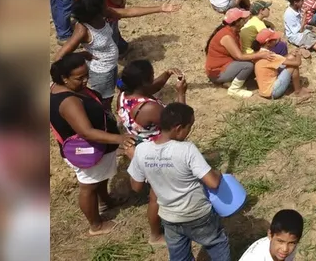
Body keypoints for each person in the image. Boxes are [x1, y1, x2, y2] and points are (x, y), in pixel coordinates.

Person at [125, 103, 231, 261]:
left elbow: (136, 186)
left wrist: (135, 161)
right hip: (197, 214)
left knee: (179, 256)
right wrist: (218, 173)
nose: (190, 131)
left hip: (170, 218)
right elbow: (213, 183)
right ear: (179, 128)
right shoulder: (187, 149)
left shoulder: (141, 151)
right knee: (216, 244)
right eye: (190, 127)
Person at [50, 53, 134, 236]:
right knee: (88, 187)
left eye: (86, 74)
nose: (85, 80)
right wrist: (119, 139)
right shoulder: (69, 102)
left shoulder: (59, 86)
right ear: (64, 78)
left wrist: (81, 56)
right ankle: (95, 225)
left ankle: (105, 200)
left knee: (99, 179)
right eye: (80, 78)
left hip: (98, 148)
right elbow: (86, 132)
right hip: (87, 150)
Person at [53, 0, 181, 106]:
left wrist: (160, 8)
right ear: (95, 11)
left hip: (112, 66)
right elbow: (59, 57)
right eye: (104, 5)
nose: (107, 6)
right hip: (101, 73)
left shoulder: (103, 15)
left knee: (112, 93)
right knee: (104, 102)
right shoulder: (83, 29)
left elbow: (129, 12)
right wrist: (81, 56)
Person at [116, 60, 186, 245]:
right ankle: (156, 235)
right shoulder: (150, 108)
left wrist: (167, 73)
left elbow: (150, 88)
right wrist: (181, 93)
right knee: (156, 196)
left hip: (140, 147)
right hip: (157, 154)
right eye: (152, 76)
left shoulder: (123, 96)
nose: (155, 79)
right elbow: (178, 125)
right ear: (144, 82)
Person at [205, 8, 269, 98]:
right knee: (248, 66)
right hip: (218, 71)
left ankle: (230, 82)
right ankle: (234, 89)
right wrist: (259, 54)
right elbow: (239, 56)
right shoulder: (227, 36)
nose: (245, 21)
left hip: (226, 65)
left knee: (252, 64)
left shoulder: (233, 32)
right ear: (237, 22)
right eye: (243, 19)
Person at [253, 29, 312, 103]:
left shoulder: (260, 53)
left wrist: (292, 54)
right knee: (293, 66)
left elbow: (283, 60)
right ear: (268, 43)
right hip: (272, 92)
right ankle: (298, 91)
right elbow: (297, 63)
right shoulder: (271, 56)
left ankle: (298, 87)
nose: (277, 40)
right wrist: (298, 54)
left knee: (290, 58)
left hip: (264, 90)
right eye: (274, 39)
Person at [238, 209, 305, 261]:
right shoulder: (255, 257)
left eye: (292, 243)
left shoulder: (290, 247)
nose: (285, 249)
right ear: (270, 235)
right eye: (280, 241)